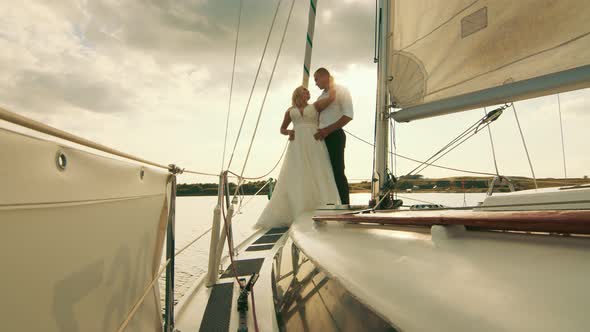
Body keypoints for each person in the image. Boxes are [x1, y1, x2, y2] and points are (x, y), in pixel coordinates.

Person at [255, 83, 341, 228]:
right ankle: (298, 209)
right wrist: (288, 132)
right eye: (305, 91)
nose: (308, 93)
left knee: (317, 172)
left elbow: (332, 97)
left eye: (308, 91)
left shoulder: (315, 106)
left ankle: (323, 209)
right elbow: (282, 128)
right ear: (298, 94)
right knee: (297, 173)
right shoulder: (290, 111)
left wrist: (330, 80)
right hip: (296, 145)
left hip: (314, 143)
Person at [313, 68, 352, 204]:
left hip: (335, 135)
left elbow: (348, 115)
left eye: (316, 79)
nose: (316, 83)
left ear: (325, 76)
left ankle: (344, 204)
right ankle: (329, 203)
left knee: (337, 171)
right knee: (324, 173)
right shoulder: (320, 97)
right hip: (321, 138)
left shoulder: (342, 90)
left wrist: (327, 130)